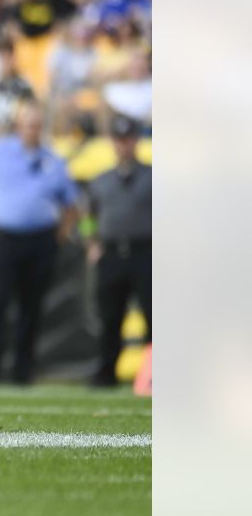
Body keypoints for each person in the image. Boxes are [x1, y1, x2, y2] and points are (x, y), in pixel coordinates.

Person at [0, 102, 77, 384]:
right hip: (3, 238)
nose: (33, 131)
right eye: (29, 125)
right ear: (18, 126)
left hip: (40, 240)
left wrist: (60, 235)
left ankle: (23, 371)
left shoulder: (53, 159)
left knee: (32, 307)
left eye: (38, 126)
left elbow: (71, 203)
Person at [83, 115, 152, 387]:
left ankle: (153, 375)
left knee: (153, 315)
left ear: (136, 141)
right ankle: (105, 373)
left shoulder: (152, 175)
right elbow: (88, 215)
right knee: (110, 316)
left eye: (129, 139)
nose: (125, 145)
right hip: (112, 253)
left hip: (145, 252)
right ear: (114, 143)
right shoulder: (101, 181)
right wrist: (91, 243)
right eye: (120, 140)